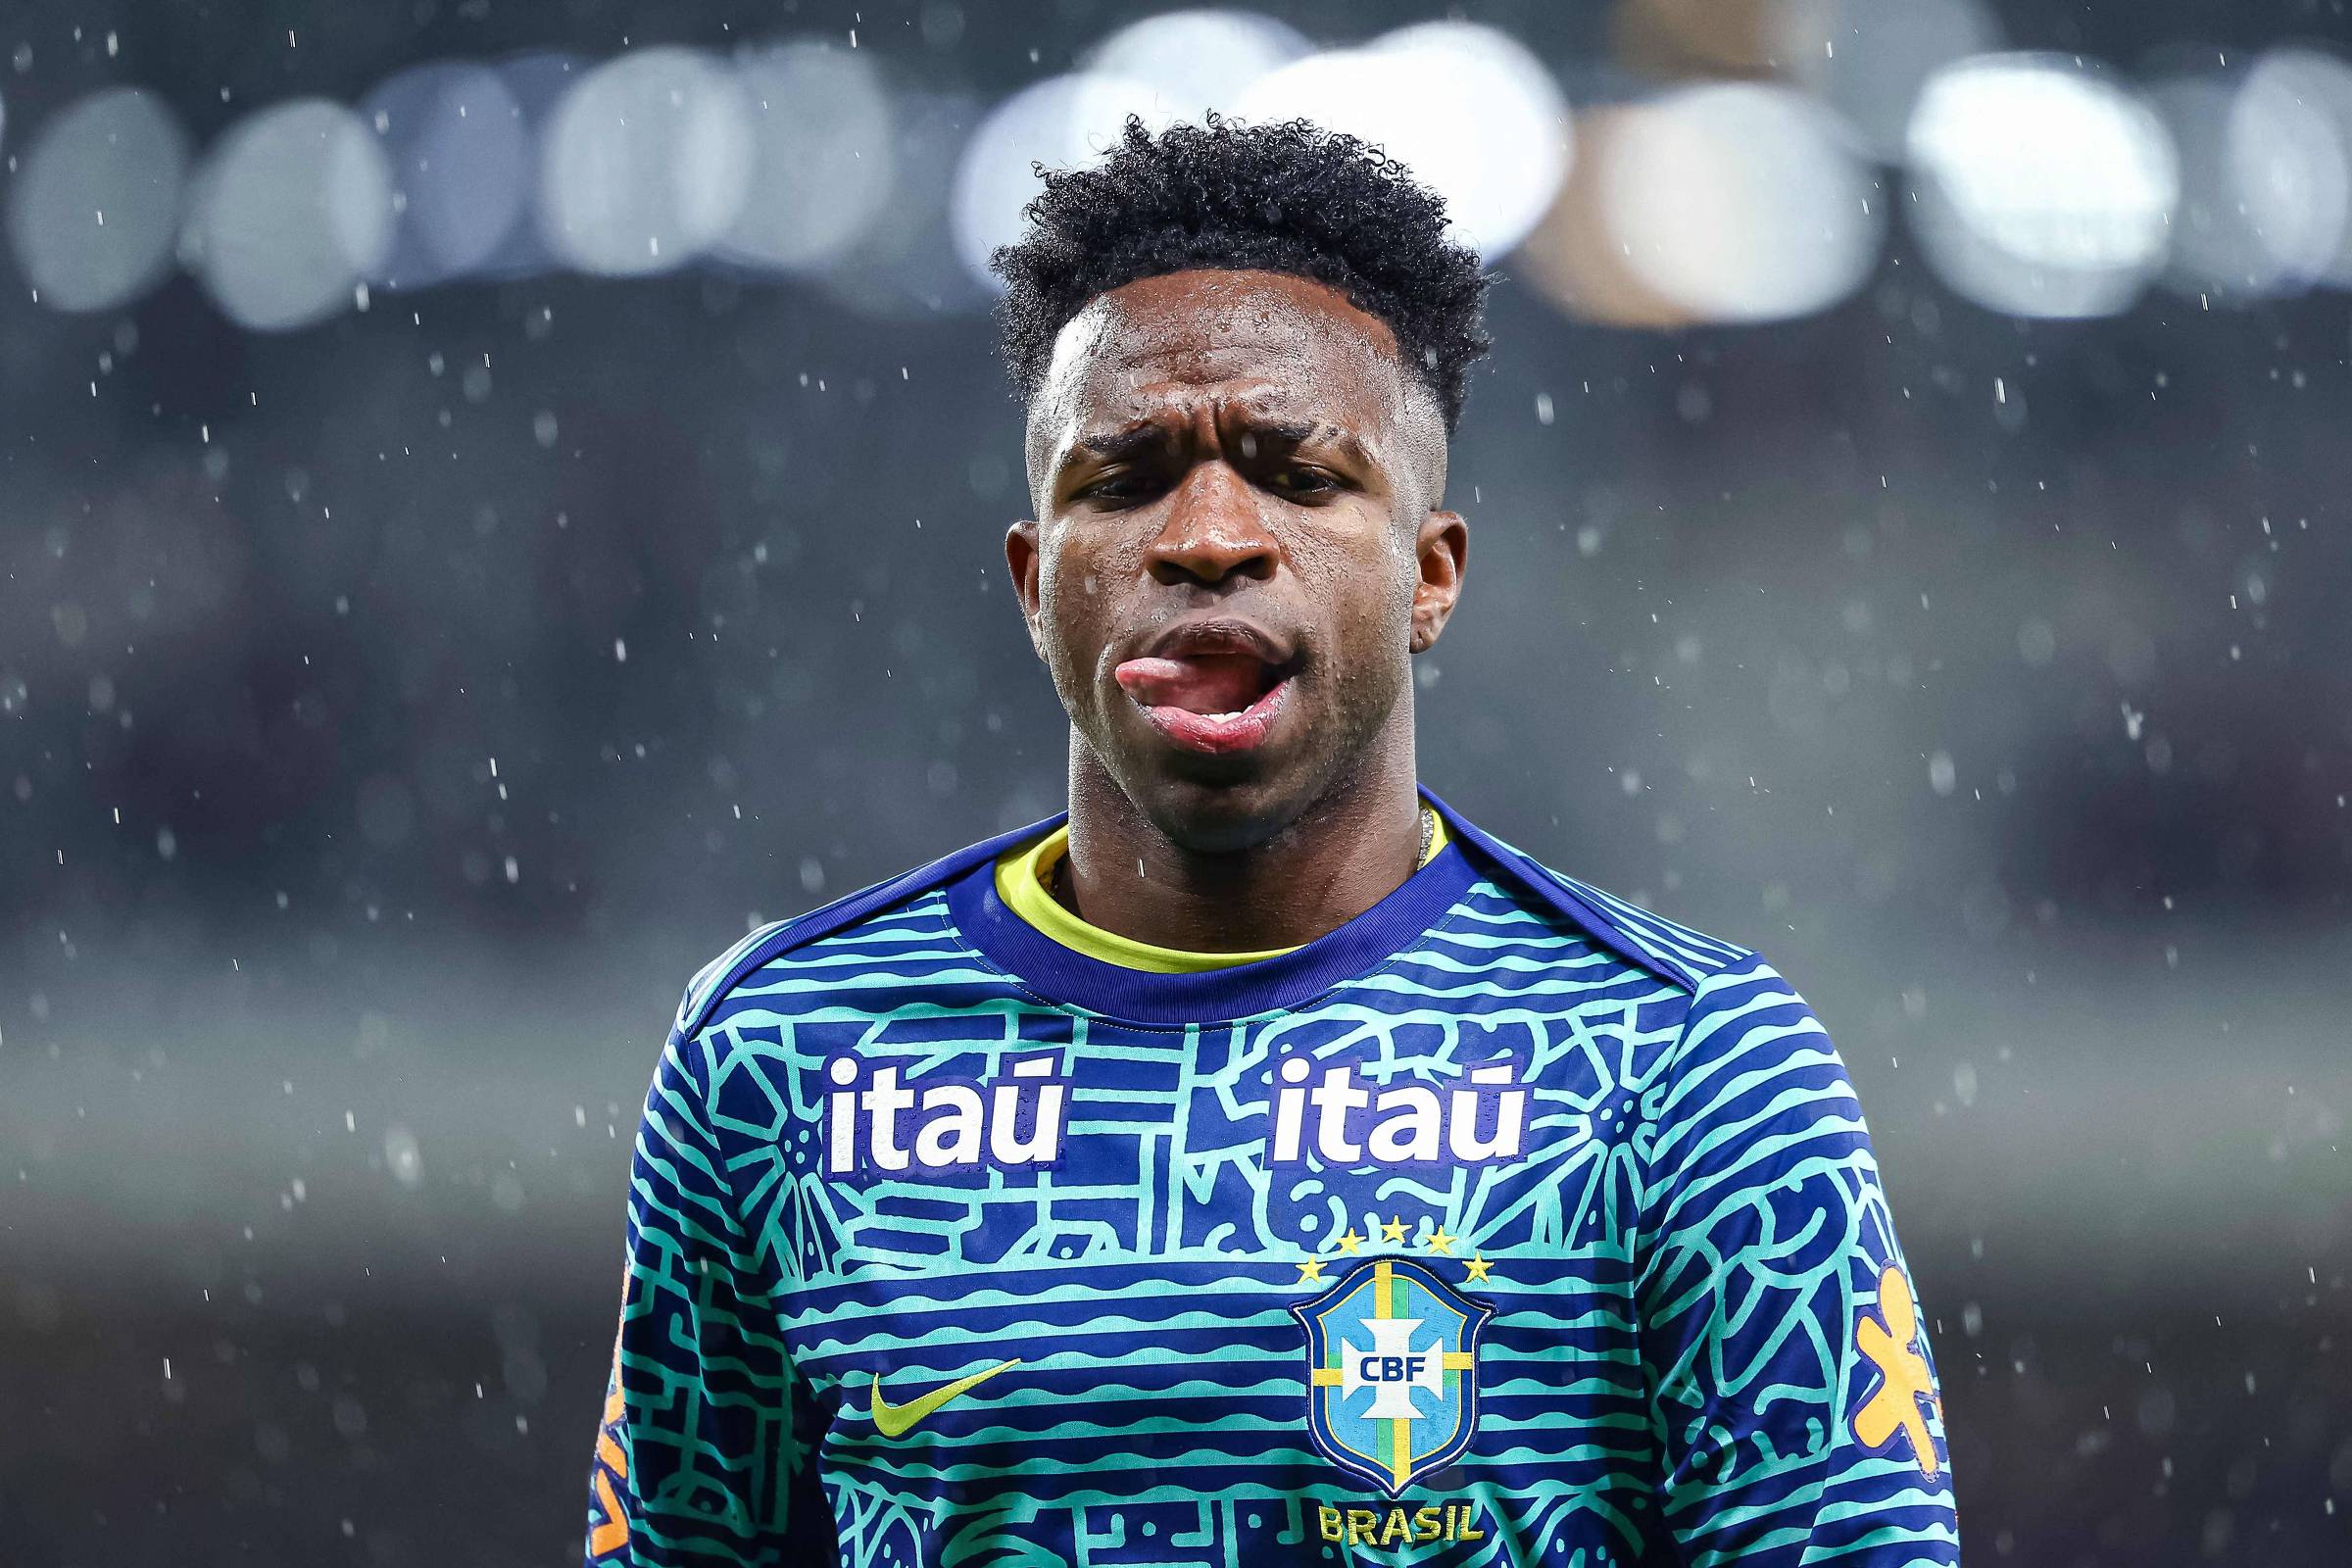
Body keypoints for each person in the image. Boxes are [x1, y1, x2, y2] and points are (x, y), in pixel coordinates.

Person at [583, 116, 1958, 1567]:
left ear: (1430, 576)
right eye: (1125, 478)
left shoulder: (1691, 1070)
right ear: (1035, 584)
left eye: (1297, 474)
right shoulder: (779, 1057)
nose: (1208, 536)